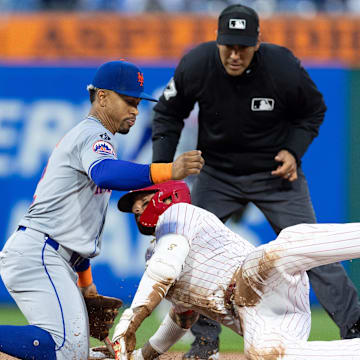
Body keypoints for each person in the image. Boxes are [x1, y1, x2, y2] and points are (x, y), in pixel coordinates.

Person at [151, 3, 360, 357]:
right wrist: (161, 172)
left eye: (243, 46)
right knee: (191, 252)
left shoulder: (281, 66)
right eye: (228, 45)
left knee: (315, 252)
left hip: (275, 174)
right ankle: (205, 341)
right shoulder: (197, 64)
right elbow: (167, 113)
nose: (234, 54)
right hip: (218, 174)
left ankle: (354, 327)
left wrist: (294, 151)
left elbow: (314, 110)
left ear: (257, 43)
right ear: (217, 41)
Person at [0, 60, 204, 360]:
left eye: (138, 104)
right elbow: (105, 174)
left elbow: (73, 227)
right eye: (129, 102)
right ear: (103, 97)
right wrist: (167, 170)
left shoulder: (95, 138)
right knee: (66, 348)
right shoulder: (93, 134)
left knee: (77, 351)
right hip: (39, 253)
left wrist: (87, 285)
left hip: (49, 253)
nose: (135, 111)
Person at [110, 180, 360, 360]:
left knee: (287, 244)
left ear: (167, 196)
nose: (137, 209)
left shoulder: (179, 213)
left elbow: (164, 270)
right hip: (261, 317)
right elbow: (181, 317)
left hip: (255, 277)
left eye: (142, 201)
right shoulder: (154, 254)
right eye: (135, 207)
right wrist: (141, 356)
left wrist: (127, 325)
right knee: (261, 353)